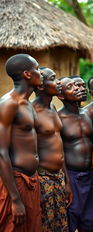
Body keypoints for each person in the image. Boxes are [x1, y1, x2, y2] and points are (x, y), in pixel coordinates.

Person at [0, 54, 43, 231]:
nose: (41, 72)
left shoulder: (28, 103)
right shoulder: (9, 103)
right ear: (27, 74)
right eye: (38, 69)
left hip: (32, 181)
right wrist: (15, 199)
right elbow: (1, 152)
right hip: (15, 182)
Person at [58, 77, 93, 232]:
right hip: (72, 176)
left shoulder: (88, 114)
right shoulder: (58, 118)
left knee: (91, 223)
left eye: (78, 86)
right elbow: (59, 152)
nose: (77, 88)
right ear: (61, 96)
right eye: (71, 87)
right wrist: (67, 183)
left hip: (90, 176)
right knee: (71, 219)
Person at [32, 67, 71, 231]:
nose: (59, 82)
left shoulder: (53, 109)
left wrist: (67, 181)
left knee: (60, 226)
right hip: (43, 178)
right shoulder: (31, 111)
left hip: (59, 177)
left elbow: (59, 146)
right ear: (41, 85)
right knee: (44, 225)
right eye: (54, 78)